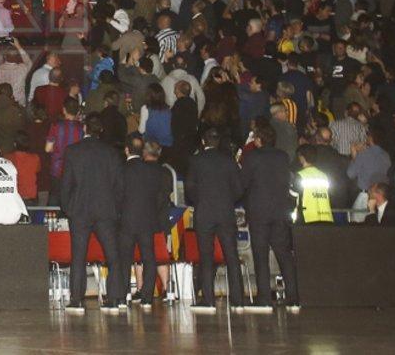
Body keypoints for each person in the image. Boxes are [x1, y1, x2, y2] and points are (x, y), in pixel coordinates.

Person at [59, 114, 125, 313]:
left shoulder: (73, 151)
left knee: (78, 256)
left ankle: (77, 299)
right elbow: (119, 186)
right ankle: (115, 299)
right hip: (106, 210)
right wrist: (116, 208)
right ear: (101, 130)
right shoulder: (112, 153)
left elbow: (66, 185)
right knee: (113, 256)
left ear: (84, 128)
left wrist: (68, 208)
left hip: (80, 210)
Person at [185, 127, 246, 311]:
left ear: (203, 142)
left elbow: (189, 188)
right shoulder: (229, 161)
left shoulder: (196, 161)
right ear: (218, 142)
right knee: (231, 256)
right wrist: (227, 201)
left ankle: (208, 299)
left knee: (206, 256)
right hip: (226, 212)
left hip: (204, 212)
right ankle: (238, 300)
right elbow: (239, 188)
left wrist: (201, 201)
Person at [239, 125, 300, 310]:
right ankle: (293, 297)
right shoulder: (282, 156)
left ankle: (264, 298)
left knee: (260, 254)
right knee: (284, 254)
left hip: (259, 211)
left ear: (258, 140)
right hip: (280, 210)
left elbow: (243, 183)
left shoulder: (252, 157)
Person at [118, 134, 170, 308]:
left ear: (126, 150)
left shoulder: (121, 169)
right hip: (148, 219)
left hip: (126, 220)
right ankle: (147, 296)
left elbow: (117, 196)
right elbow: (159, 196)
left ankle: (123, 295)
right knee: (149, 257)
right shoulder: (154, 170)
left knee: (124, 259)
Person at [294, 145, 334, 225]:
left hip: (308, 218)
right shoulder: (324, 176)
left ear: (302, 158)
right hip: (326, 218)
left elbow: (294, 198)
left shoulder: (300, 175)